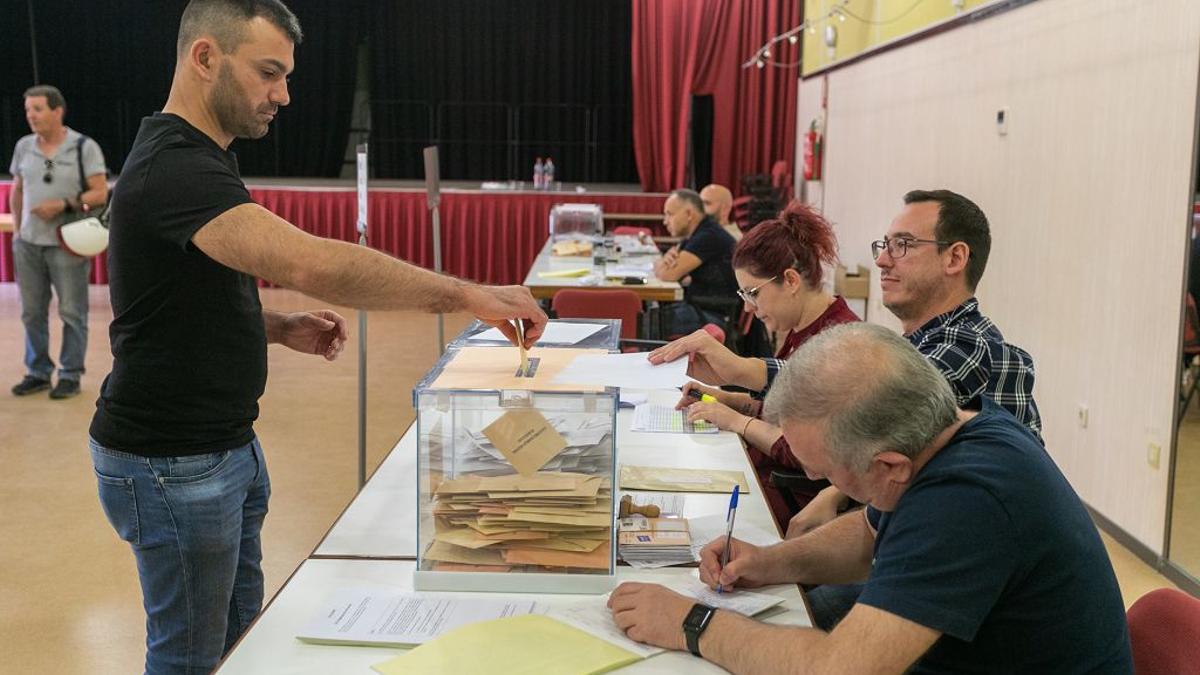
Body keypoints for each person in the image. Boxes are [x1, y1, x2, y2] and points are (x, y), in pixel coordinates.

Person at [86, 2, 547, 673]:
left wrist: (273, 327)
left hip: (219, 446)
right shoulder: (177, 167)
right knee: (190, 656)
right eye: (269, 73)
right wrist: (466, 294)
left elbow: (170, 301)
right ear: (205, 58)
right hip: (172, 462)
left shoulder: (199, 159)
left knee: (238, 641)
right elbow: (313, 262)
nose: (284, 95)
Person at [608, 323, 1133, 674]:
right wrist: (769, 563)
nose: (811, 473)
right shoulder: (951, 432)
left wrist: (689, 623)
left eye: (822, 467)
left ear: (888, 465)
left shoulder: (968, 502)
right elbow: (869, 533)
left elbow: (843, 668)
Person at [790, 189, 1043, 537]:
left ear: (954, 258)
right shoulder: (922, 342)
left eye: (903, 245)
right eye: (885, 245)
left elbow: (869, 405)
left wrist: (833, 492)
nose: (882, 261)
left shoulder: (967, 344)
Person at [648, 201, 858, 529]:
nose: (748, 308)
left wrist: (736, 421)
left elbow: (801, 451)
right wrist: (726, 399)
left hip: (785, 497)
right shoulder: (804, 329)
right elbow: (782, 410)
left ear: (790, 281)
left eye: (753, 293)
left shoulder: (839, 342)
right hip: (763, 477)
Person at [8, 85, 108, 399]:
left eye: (37, 109)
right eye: (27, 110)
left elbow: (100, 192)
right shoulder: (24, 146)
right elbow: (18, 189)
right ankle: (37, 372)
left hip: (67, 243)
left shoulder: (83, 147)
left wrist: (63, 204)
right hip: (28, 244)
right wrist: (18, 229)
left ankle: (69, 374)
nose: (31, 116)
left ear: (57, 111)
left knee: (71, 312)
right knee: (31, 312)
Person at [654, 188, 738, 336]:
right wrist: (664, 263)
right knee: (649, 313)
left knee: (646, 323)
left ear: (688, 214)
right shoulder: (698, 232)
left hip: (714, 316)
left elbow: (669, 275)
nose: (665, 221)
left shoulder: (707, 236)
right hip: (704, 307)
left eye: (669, 214)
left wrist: (662, 265)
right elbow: (670, 268)